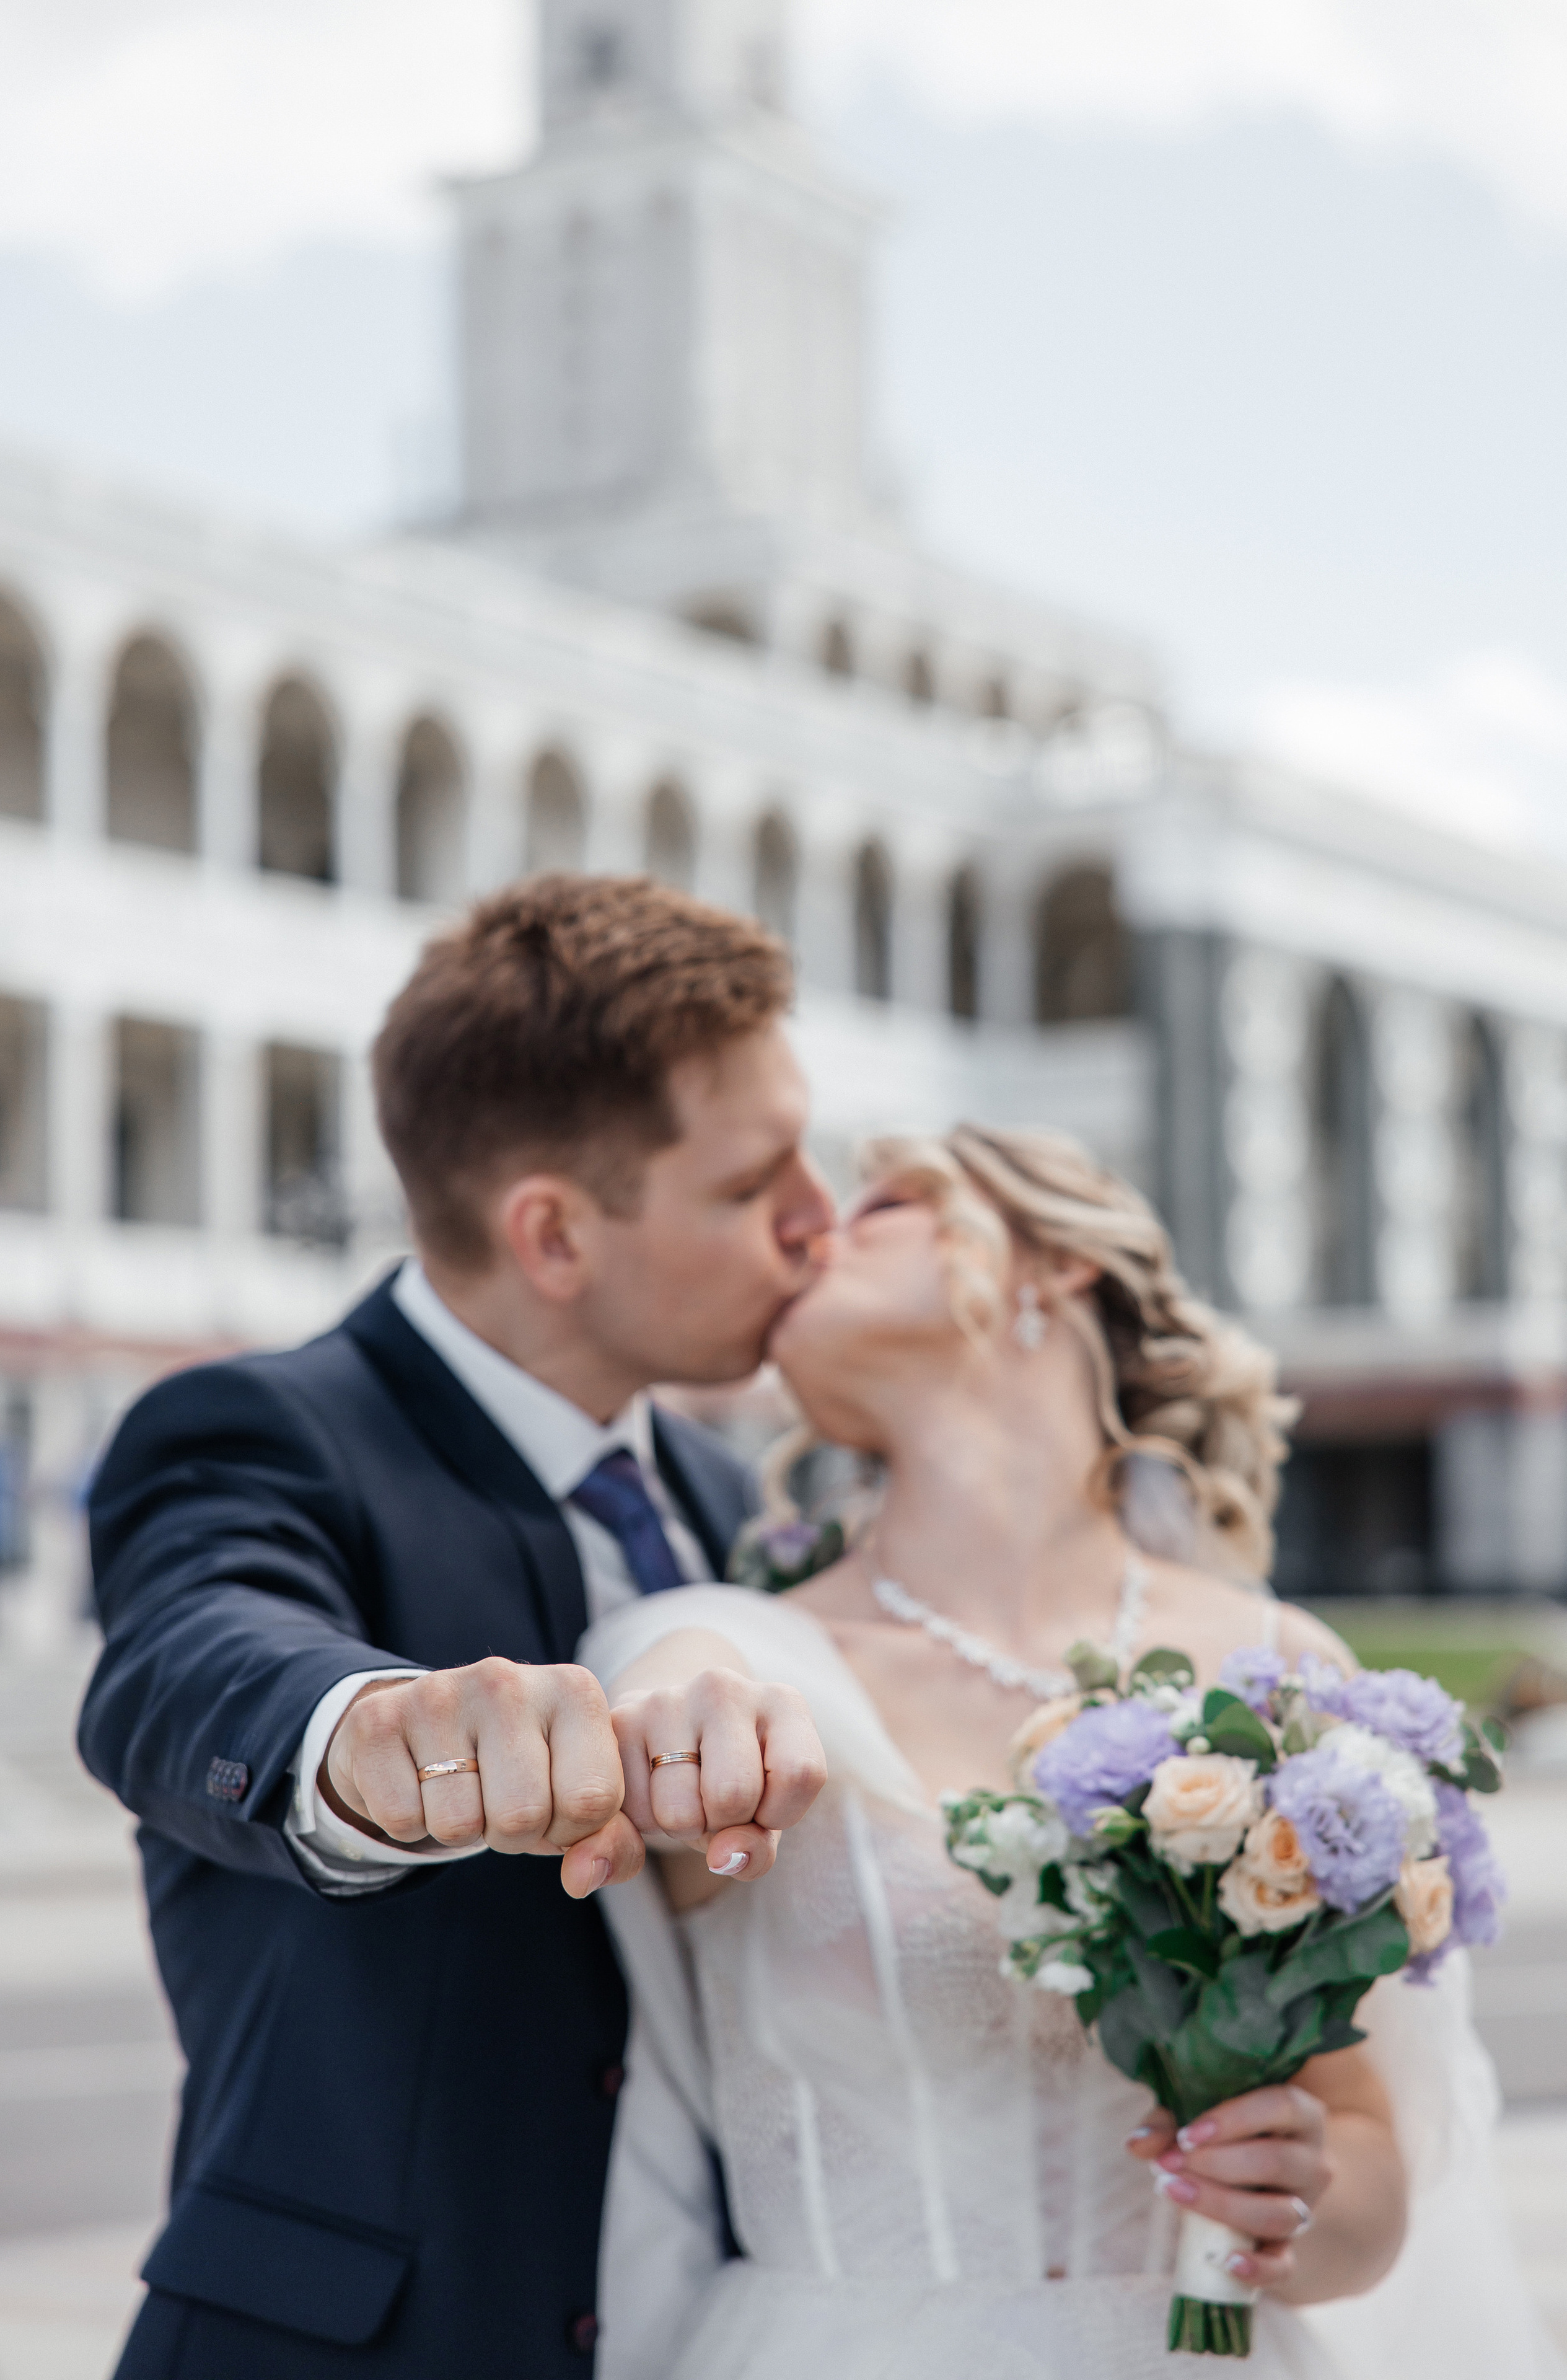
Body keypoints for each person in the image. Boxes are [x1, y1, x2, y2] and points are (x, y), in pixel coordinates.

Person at [582, 1127, 1563, 2380]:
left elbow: (1371, 2158)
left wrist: (1294, 2204)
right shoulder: (728, 1651)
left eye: (877, 1206)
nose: (809, 1234)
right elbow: (654, 1701)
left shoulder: (1283, 1671)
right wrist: (668, 1732)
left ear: (1046, 1264)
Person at [77, 875, 832, 2378]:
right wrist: (370, 1734)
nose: (817, 1223)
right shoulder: (264, 1428)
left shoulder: (729, 1491)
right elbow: (187, 1655)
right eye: (754, 1188)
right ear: (551, 1233)